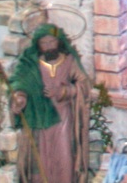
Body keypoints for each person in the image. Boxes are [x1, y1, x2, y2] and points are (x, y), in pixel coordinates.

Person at [10, 23, 93, 183]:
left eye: (52, 41)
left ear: (59, 41)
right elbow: (20, 84)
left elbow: (84, 85)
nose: (48, 46)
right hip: (40, 118)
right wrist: (20, 98)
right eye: (44, 43)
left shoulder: (69, 61)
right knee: (41, 156)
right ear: (38, 45)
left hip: (63, 117)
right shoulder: (32, 64)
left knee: (64, 155)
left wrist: (63, 91)